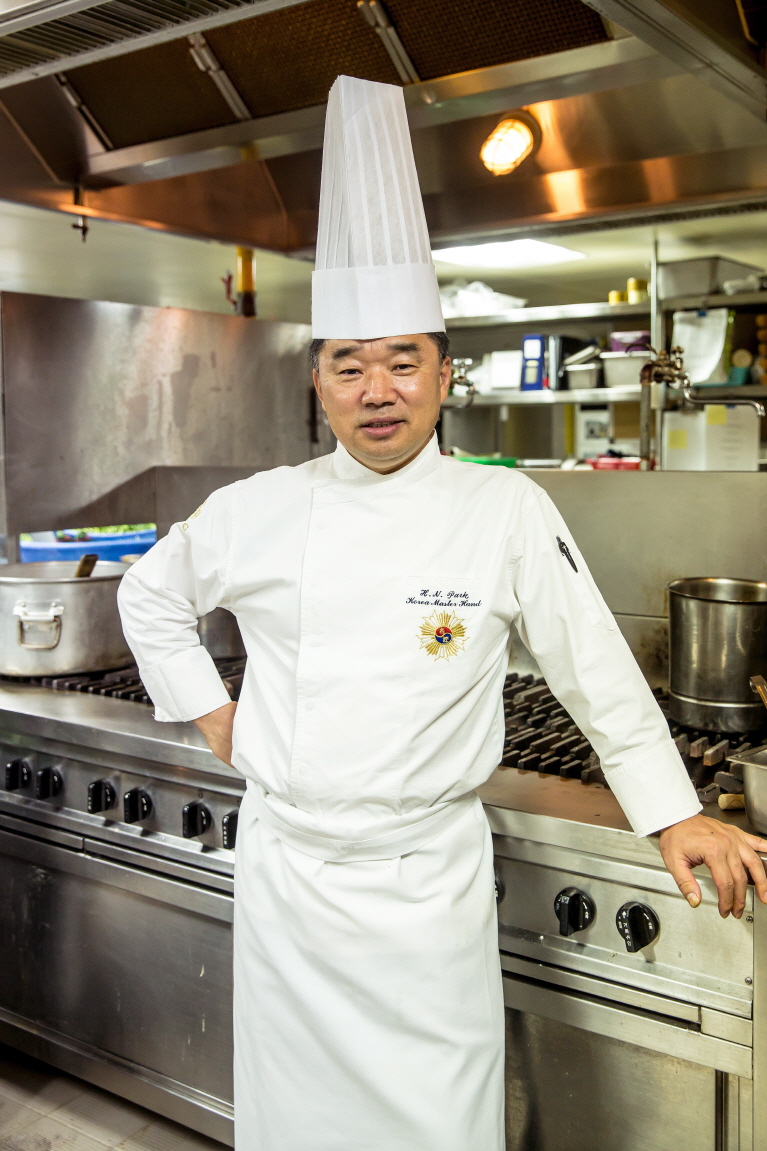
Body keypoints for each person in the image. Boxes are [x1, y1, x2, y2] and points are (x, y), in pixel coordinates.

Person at [117, 75, 767, 1151]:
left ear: (443, 374)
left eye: (401, 362)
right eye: (349, 366)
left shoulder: (501, 507)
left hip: (426, 884)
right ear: (319, 382)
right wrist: (213, 714)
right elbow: (148, 594)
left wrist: (670, 812)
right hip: (291, 878)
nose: (376, 389)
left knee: (436, 1122)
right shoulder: (257, 508)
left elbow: (592, 668)